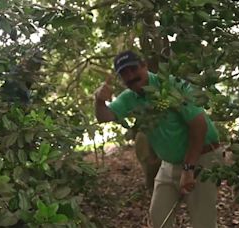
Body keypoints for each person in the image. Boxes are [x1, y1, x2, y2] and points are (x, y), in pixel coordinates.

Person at [94, 50, 223, 228]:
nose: (130, 76)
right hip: (170, 164)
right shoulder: (130, 98)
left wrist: (188, 168)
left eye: (133, 69)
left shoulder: (170, 86)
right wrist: (99, 100)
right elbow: (104, 117)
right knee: (159, 218)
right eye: (124, 73)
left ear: (144, 66)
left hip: (202, 158)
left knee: (203, 222)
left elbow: (199, 125)